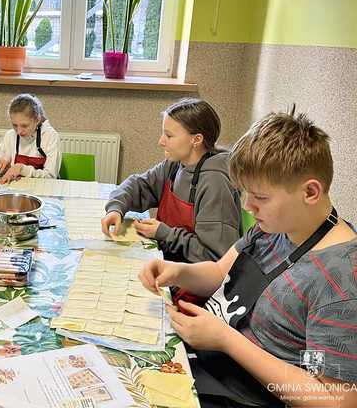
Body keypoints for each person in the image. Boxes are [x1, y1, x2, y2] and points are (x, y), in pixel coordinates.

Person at [139, 111, 357, 407]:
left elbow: (333, 402)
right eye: (244, 194)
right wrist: (177, 271)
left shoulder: (340, 281)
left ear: (310, 192)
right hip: (209, 362)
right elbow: (219, 272)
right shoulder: (276, 227)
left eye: (261, 198)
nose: (248, 206)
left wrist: (227, 340)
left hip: (245, 396)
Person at [102, 98, 240, 263]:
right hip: (170, 264)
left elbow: (216, 257)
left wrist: (165, 234)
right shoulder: (175, 165)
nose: (161, 141)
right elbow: (138, 185)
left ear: (196, 140)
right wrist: (116, 208)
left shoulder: (215, 184)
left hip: (194, 282)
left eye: (169, 135)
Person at [0, 93, 61, 184]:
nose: (19, 132)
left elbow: (51, 177)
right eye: (14, 125)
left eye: (24, 126)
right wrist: (0, 167)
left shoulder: (50, 136)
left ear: (37, 120)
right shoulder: (10, 136)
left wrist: (22, 169)